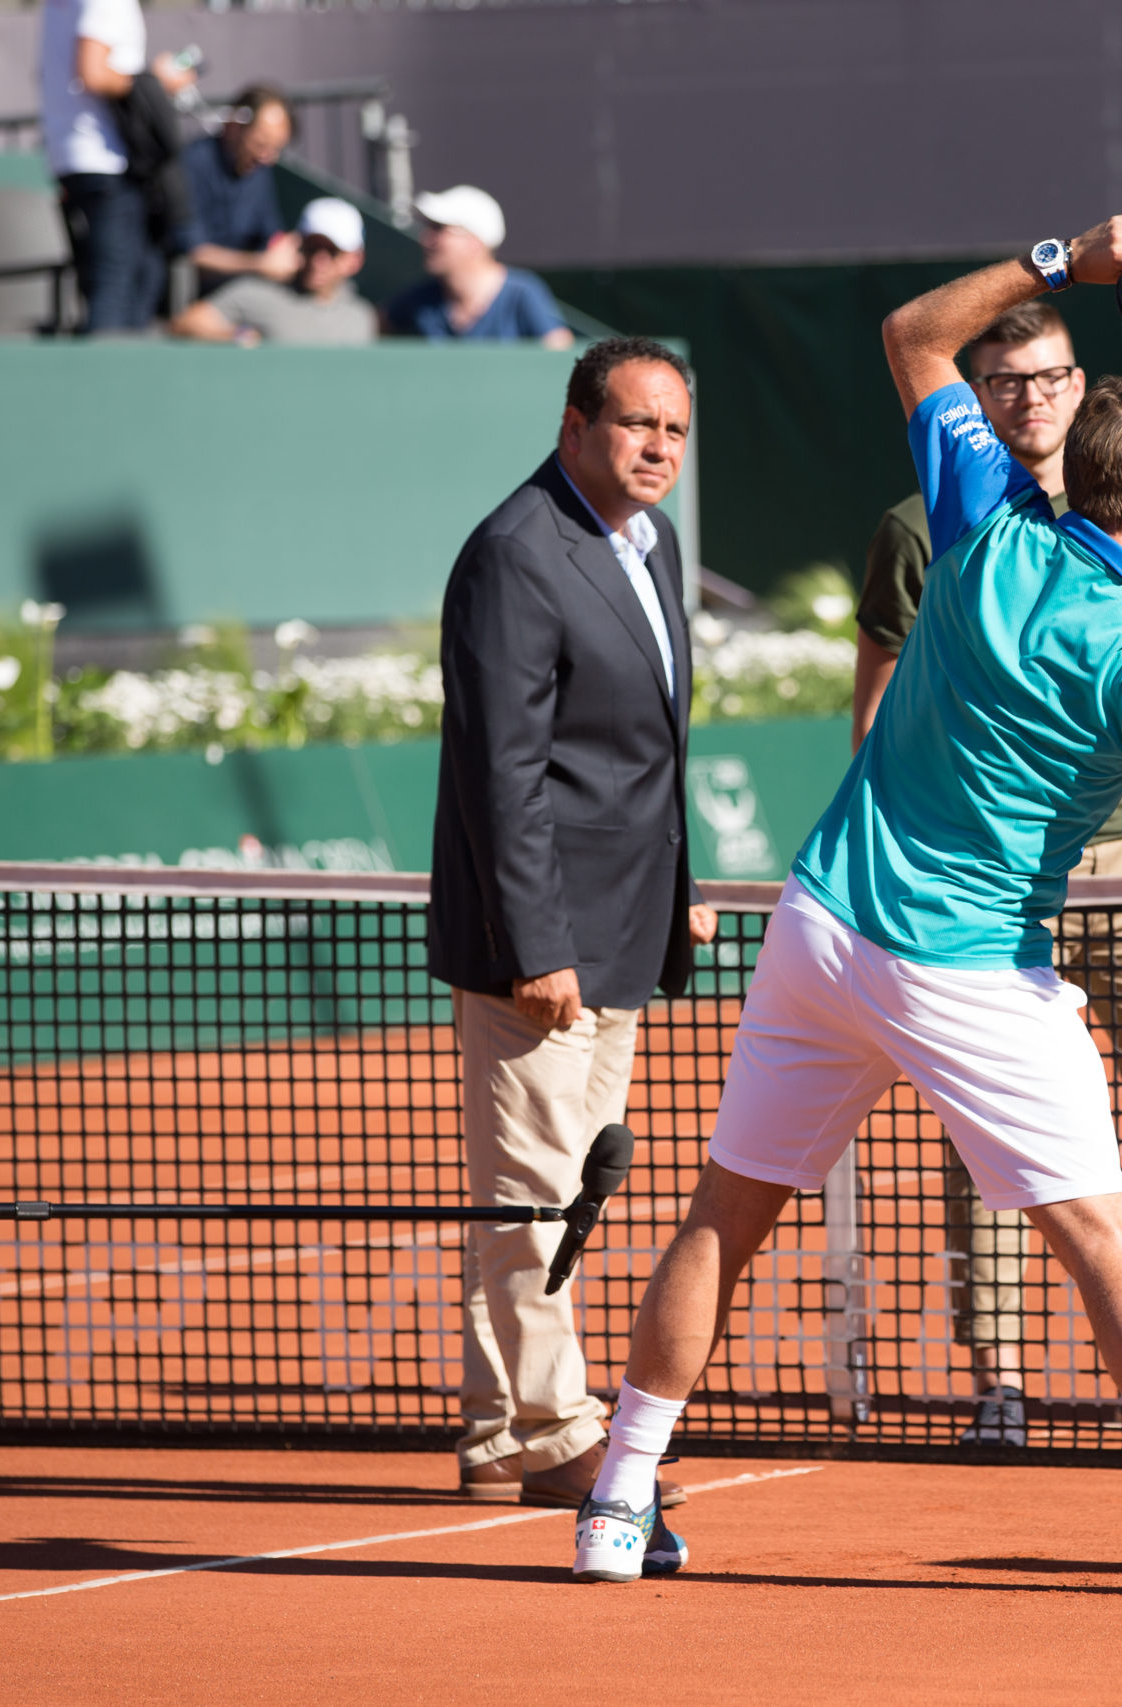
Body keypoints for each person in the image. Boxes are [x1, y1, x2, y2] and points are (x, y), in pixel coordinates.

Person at [571, 212, 1122, 1597]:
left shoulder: (978, 510)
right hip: (972, 965)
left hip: (820, 928)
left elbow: (912, 334)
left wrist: (1068, 256)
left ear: (1070, 461)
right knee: (1110, 1244)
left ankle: (618, 1504)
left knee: (719, 1220)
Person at [850, 299, 1122, 1446]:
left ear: (1079, 386)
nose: (1031, 398)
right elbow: (877, 706)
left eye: (1050, 378)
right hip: (989, 887)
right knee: (989, 1139)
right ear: (979, 394)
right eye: (1006, 381)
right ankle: (998, 1379)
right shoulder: (928, 522)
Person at [427, 337, 719, 1509]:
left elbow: (642, 751)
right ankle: (553, 1432)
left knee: (559, 1189)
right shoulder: (516, 552)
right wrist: (535, 944)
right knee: (534, 1191)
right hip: (540, 947)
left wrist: (677, 884)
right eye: (637, 423)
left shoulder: (652, 543)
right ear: (575, 427)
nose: (658, 447)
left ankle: (501, 1427)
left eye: (675, 430)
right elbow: (503, 773)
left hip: (624, 927)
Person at [39, 0, 194, 333]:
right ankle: (108, 366)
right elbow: (94, 73)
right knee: (117, 287)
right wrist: (157, 83)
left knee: (120, 279)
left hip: (76, 158)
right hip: (107, 164)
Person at [383, 185, 574, 348]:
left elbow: (558, 352)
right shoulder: (420, 298)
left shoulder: (522, 293)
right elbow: (377, 327)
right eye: (428, 228)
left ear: (475, 242)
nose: (425, 239)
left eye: (439, 229)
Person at [172, 197, 377, 347]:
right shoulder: (255, 294)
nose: (318, 262)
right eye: (312, 248)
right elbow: (186, 324)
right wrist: (238, 337)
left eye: (332, 252)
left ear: (355, 260)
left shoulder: (362, 317)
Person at [178, 85, 298, 296]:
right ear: (233, 128)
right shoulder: (193, 164)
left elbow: (270, 232)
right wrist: (259, 264)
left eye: (276, 149)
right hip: (199, 293)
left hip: (245, 290)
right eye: (261, 145)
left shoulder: (259, 171)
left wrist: (287, 247)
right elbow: (195, 253)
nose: (268, 158)